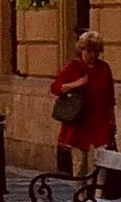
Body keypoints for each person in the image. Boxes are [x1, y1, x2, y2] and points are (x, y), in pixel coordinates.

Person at [48, 29, 115, 175]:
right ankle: (81, 195)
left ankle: (98, 195)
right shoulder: (73, 67)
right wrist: (76, 84)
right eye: (89, 51)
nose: (93, 55)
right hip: (80, 122)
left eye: (96, 51)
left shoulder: (104, 68)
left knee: (100, 163)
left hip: (100, 122)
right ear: (82, 50)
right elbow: (56, 88)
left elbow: (110, 97)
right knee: (80, 165)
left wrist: (112, 121)